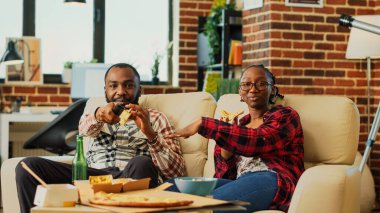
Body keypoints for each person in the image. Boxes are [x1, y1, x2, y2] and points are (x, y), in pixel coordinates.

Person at [15, 63, 186, 213]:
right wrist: (98, 115)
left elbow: (177, 173)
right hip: (93, 180)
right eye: (113, 86)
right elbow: (84, 130)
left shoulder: (156, 118)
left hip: (133, 178)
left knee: (141, 162)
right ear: (105, 90)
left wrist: (150, 133)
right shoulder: (96, 114)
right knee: (27, 166)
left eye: (128, 85)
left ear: (139, 90)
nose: (120, 92)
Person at [166, 64, 304, 212]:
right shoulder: (237, 127)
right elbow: (225, 175)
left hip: (272, 180)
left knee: (205, 205)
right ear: (240, 92)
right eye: (246, 84)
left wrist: (203, 123)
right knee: (168, 188)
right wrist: (227, 148)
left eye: (261, 84)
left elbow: (258, 140)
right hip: (242, 181)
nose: (253, 89)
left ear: (273, 90)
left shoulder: (285, 116)